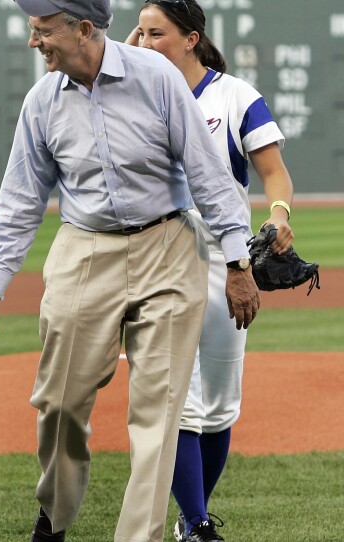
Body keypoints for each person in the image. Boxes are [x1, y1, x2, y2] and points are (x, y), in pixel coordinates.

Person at [0, 0, 262, 541]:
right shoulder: (42, 101)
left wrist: (239, 262)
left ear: (83, 29)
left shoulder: (156, 78)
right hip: (85, 249)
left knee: (160, 411)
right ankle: (55, 514)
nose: (35, 42)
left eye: (43, 30)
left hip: (168, 245)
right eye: (33, 30)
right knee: (59, 401)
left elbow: (208, 172)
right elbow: (20, 199)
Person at [127, 1, 295, 540]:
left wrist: (278, 215)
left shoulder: (234, 96)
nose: (147, 42)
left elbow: (273, 173)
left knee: (219, 405)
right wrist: (129, 61)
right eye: (142, 33)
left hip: (225, 253)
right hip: (155, 253)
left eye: (158, 34)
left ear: (191, 38)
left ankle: (189, 516)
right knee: (179, 400)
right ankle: (200, 524)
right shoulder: (134, 88)